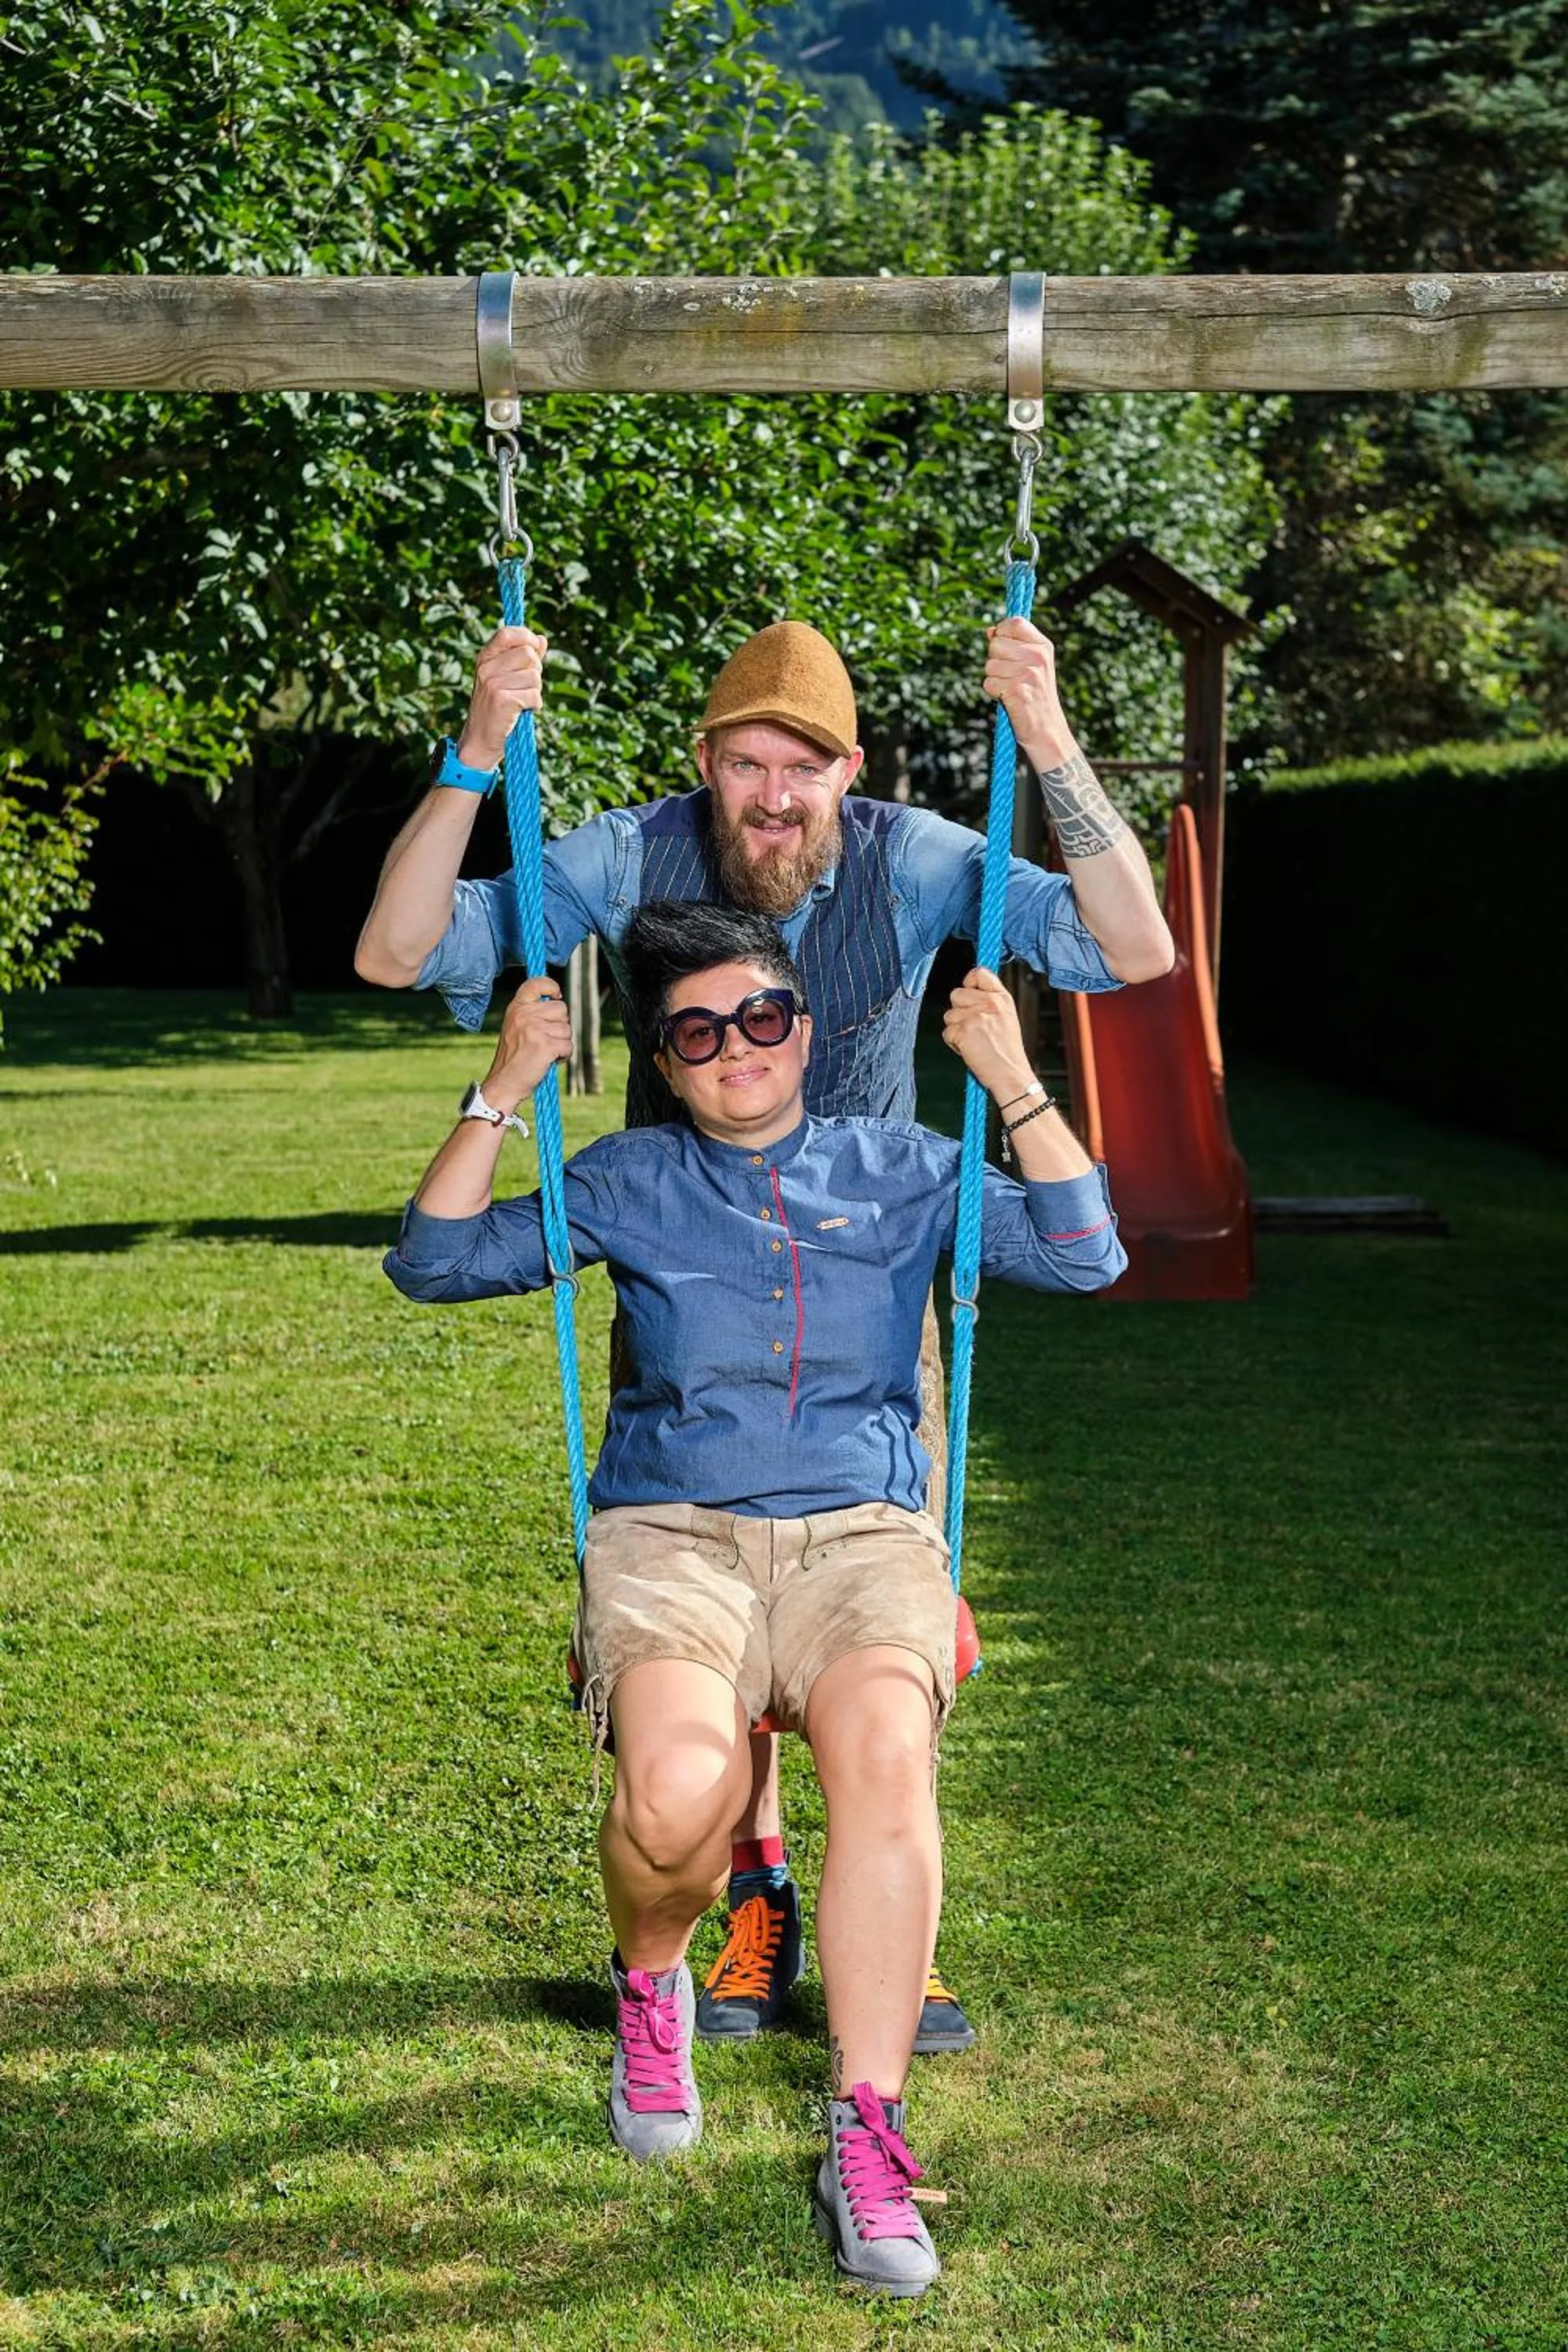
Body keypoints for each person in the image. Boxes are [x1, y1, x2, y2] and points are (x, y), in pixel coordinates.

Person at [357, 615, 1172, 2052]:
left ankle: (889, 1925)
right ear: (706, 765)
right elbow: (397, 948)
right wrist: (479, 747)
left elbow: (1134, 946)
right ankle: (755, 1885)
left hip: (879, 1270)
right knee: (714, 1589)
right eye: (746, 765)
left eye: (805, 767)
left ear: (849, 772)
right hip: (682, 1259)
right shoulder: (632, 854)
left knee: (871, 1616)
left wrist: (1045, 732)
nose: (775, 797)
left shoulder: (915, 859)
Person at [383, 902, 1127, 2296]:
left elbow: (1088, 1252)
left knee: (886, 1763)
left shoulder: (902, 1167)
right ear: (666, 1060)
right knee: (679, 1796)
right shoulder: (629, 1180)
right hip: (674, 1536)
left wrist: (1014, 1079)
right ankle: (652, 1982)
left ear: (805, 1029)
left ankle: (869, 2129)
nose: (738, 1047)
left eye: (763, 1018)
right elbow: (433, 1262)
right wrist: (501, 1089)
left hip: (863, 1539)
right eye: (697, 1031)